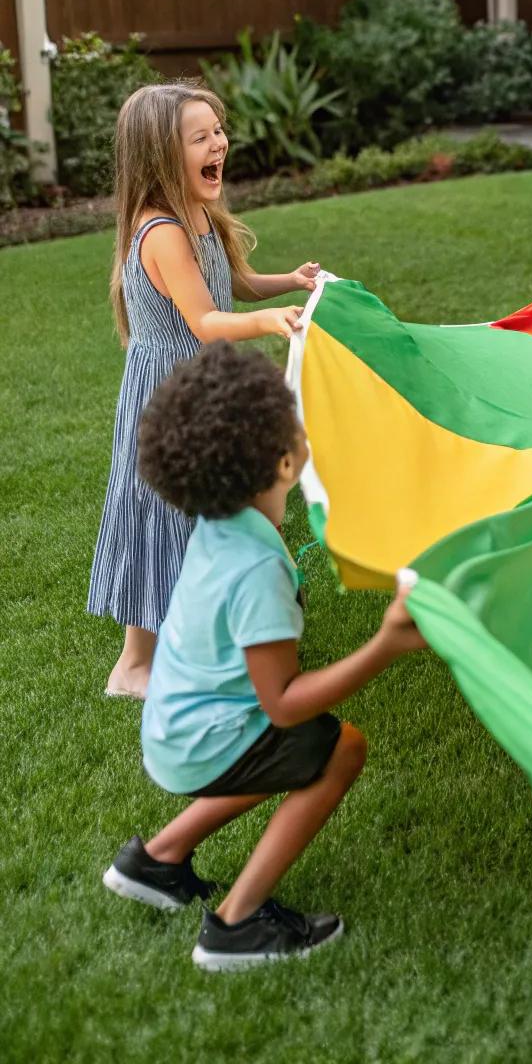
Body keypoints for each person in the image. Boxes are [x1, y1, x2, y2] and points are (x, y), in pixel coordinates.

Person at [102, 341, 426, 970]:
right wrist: (385, 644)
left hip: (178, 726)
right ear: (284, 461)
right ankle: (236, 924)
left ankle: (157, 860)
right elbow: (283, 705)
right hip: (202, 740)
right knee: (338, 749)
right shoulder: (256, 569)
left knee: (278, 754)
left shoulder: (223, 521)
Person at [88, 81, 321, 700]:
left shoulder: (199, 214)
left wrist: (288, 281)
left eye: (218, 131)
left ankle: (222, 631)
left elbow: (231, 283)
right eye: (200, 137)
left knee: (214, 506)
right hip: (165, 390)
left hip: (200, 387)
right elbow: (205, 320)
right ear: (161, 154)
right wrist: (267, 323)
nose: (218, 144)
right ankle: (133, 665)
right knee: (155, 515)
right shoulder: (162, 230)